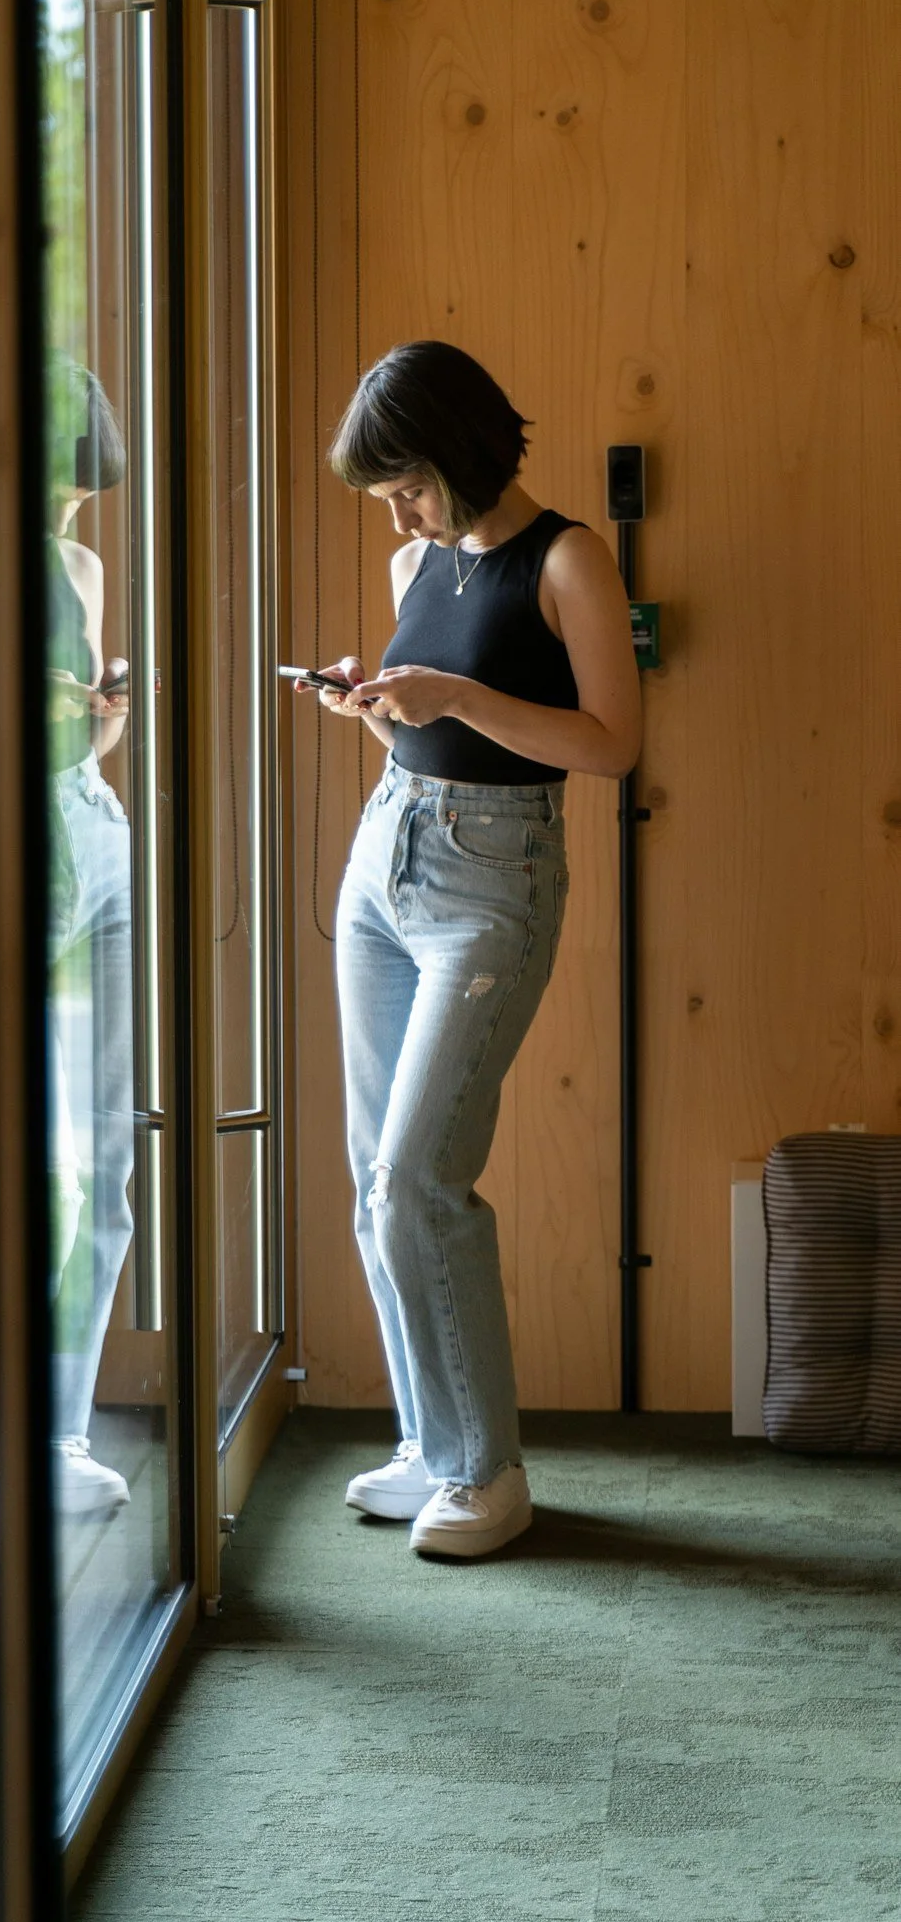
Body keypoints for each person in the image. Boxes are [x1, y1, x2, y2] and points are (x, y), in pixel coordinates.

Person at [308, 341, 640, 1559]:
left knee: (415, 1179)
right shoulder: (416, 556)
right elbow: (433, 709)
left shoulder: (566, 559)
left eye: (405, 483)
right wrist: (382, 700)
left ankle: (485, 1474)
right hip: (382, 861)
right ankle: (430, 1445)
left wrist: (450, 698)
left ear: (454, 451)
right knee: (372, 1178)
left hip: (491, 882)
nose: (394, 514)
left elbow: (608, 744)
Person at [46, 357, 137, 1520]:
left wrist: (99, 721)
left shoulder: (78, 564)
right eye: (57, 492)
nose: (70, 519)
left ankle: (58, 1434)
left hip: (93, 830)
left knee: (106, 1165)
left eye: (82, 499)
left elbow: (78, 746)